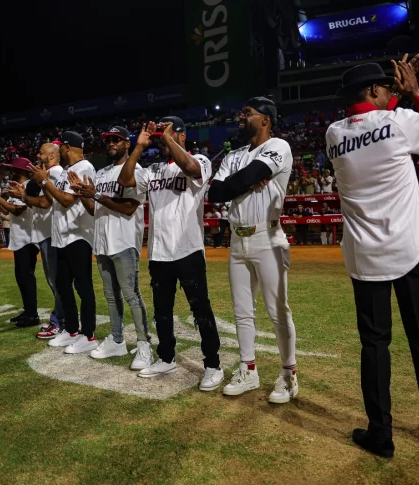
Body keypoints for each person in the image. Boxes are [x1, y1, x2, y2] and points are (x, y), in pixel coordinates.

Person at [326, 58, 419, 457]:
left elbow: (374, 126)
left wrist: (394, 98)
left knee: (375, 346)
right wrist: (414, 91)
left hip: (366, 256)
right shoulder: (399, 122)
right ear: (375, 92)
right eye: (385, 88)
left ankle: (381, 435)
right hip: (411, 249)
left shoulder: (333, 134)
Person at [118, 116, 223, 391]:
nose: (162, 136)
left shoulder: (200, 159)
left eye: (169, 131)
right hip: (159, 252)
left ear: (182, 136)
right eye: (161, 132)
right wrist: (138, 147)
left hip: (188, 250)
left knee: (200, 309)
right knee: (162, 311)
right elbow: (125, 179)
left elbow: (189, 167)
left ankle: (213, 364)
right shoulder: (153, 170)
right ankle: (166, 357)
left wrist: (167, 138)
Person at [208, 97, 298, 403]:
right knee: (242, 312)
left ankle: (289, 375)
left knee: (277, 312)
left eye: (247, 113)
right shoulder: (233, 155)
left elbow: (238, 181)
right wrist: (246, 181)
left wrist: (242, 181)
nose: (241, 116)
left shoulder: (279, 146)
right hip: (237, 240)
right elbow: (216, 193)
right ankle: (249, 370)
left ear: (266, 119)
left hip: (267, 236)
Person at [67, 126, 152, 369]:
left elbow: (128, 208)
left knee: (132, 295)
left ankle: (144, 344)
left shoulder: (136, 170)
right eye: (108, 140)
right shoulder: (102, 173)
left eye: (117, 139)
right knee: (111, 297)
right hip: (102, 242)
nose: (111, 143)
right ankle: (116, 340)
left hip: (124, 241)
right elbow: (94, 210)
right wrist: (83, 194)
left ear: (127, 144)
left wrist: (95, 195)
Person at [29, 131, 98, 354]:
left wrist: (43, 180)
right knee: (63, 285)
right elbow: (53, 199)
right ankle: (71, 330)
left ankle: (88, 335)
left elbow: (67, 200)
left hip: (78, 235)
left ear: (67, 148)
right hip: (61, 236)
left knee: (83, 286)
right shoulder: (67, 171)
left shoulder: (84, 167)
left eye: (62, 147)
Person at [8, 143, 65, 336]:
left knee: (57, 282)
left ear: (50, 156)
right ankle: (62, 320)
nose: (37, 156)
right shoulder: (48, 174)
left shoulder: (55, 173)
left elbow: (45, 202)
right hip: (46, 233)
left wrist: (23, 197)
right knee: (55, 281)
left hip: (51, 233)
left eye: (40, 153)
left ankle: (60, 321)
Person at [0, 158, 40, 328]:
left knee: (26, 277)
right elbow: (7, 210)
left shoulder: (29, 185)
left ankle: (32, 315)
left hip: (28, 239)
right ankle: (28, 310)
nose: (10, 172)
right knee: (20, 277)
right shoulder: (17, 187)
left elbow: (18, 209)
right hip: (19, 238)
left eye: (12, 169)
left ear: (21, 171)